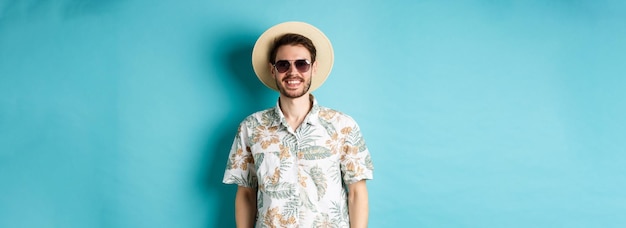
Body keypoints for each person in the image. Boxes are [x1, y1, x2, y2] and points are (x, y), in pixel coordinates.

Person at [222, 21, 374, 228]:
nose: (293, 72)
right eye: (283, 64)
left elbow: (357, 193)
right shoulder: (251, 127)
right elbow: (246, 194)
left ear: (314, 68)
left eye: (301, 64)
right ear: (273, 70)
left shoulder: (343, 126)